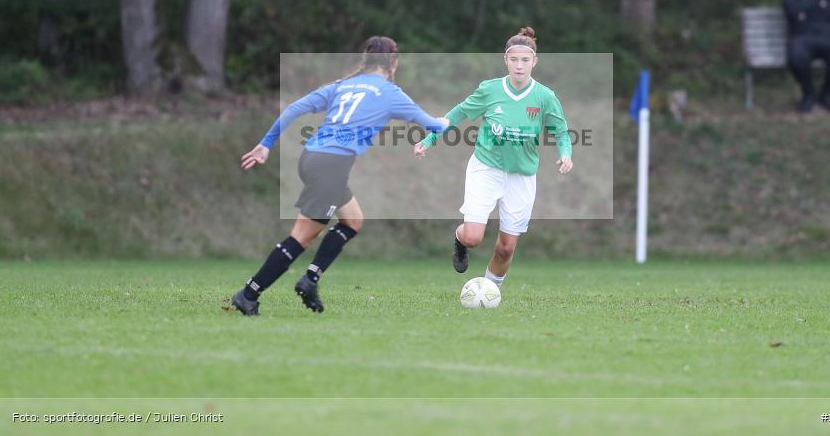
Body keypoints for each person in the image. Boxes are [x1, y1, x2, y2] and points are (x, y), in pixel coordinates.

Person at [230, 36, 448, 316]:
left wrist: (266, 144)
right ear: (394, 62)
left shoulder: (342, 86)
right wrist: (445, 121)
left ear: (366, 60)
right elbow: (433, 125)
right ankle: (248, 294)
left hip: (312, 159)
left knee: (353, 220)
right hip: (332, 166)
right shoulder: (391, 93)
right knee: (301, 238)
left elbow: (295, 108)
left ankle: (310, 280)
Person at [413, 27, 573, 290]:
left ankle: (489, 291)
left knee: (506, 249)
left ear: (534, 61)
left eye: (525, 60)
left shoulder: (545, 97)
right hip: (486, 169)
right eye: (514, 60)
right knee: (473, 237)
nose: (519, 66)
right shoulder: (490, 90)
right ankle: (459, 238)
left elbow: (561, 131)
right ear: (505, 61)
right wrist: (429, 139)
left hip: (522, 176)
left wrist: (565, 154)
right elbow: (457, 114)